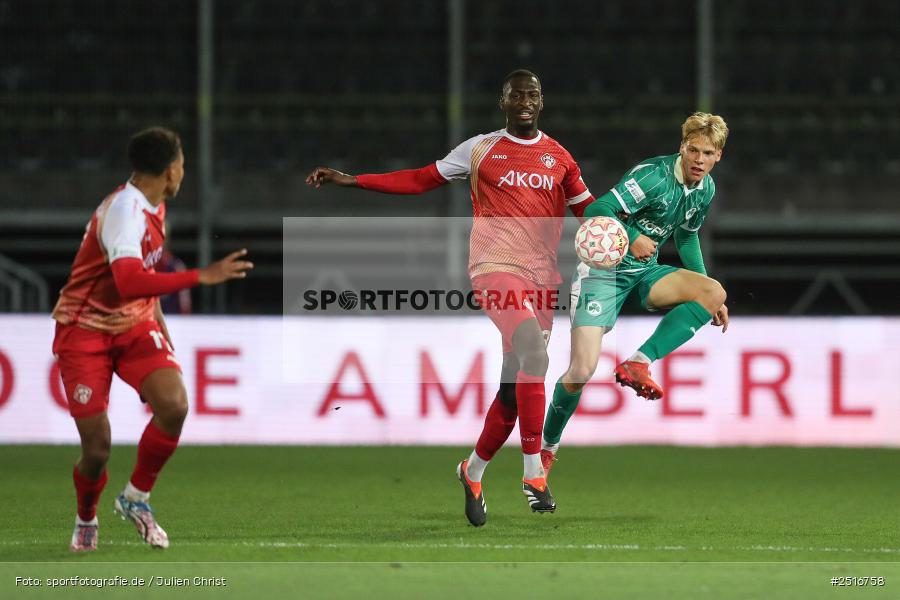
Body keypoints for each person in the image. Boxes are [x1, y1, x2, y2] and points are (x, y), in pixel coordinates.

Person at [306, 70, 595, 526]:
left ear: (542, 102)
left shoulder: (559, 157)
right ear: (503, 101)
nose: (525, 101)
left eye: (533, 94)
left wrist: (627, 230)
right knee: (535, 355)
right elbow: (420, 179)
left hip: (542, 281)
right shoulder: (479, 149)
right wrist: (354, 180)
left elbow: (589, 211)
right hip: (494, 269)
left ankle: (472, 470)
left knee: (512, 393)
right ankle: (533, 472)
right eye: (516, 94)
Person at [52, 127, 253, 551]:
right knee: (97, 450)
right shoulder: (125, 212)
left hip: (134, 323)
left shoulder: (155, 205)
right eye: (182, 165)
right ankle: (86, 516)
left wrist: (158, 321)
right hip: (85, 329)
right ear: (169, 171)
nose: (184, 172)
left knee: (174, 404)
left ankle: (135, 498)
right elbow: (128, 280)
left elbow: (145, 274)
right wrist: (200, 276)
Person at [541, 113, 730, 476]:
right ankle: (546, 449)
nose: (699, 159)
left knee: (714, 292)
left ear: (718, 155)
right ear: (682, 147)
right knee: (581, 370)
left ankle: (638, 363)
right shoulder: (653, 175)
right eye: (693, 150)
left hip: (644, 272)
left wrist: (709, 294)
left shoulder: (705, 188)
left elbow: (686, 236)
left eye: (707, 153)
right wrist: (631, 236)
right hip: (603, 274)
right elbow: (597, 209)